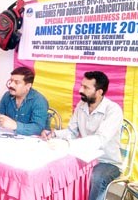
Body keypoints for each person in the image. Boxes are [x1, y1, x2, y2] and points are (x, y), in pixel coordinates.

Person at [41, 71, 123, 200]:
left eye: (86, 87)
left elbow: (100, 140)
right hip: (85, 156)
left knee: (96, 178)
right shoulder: (81, 105)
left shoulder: (113, 110)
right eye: (81, 85)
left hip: (106, 161)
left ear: (99, 92)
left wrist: (68, 144)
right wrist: (54, 133)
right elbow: (72, 132)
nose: (80, 90)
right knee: (59, 168)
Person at [0, 66, 49, 136]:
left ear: (28, 86)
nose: (11, 85)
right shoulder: (7, 96)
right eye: (11, 81)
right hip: (9, 136)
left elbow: (38, 128)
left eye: (16, 82)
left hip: (33, 140)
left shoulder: (39, 100)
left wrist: (15, 126)